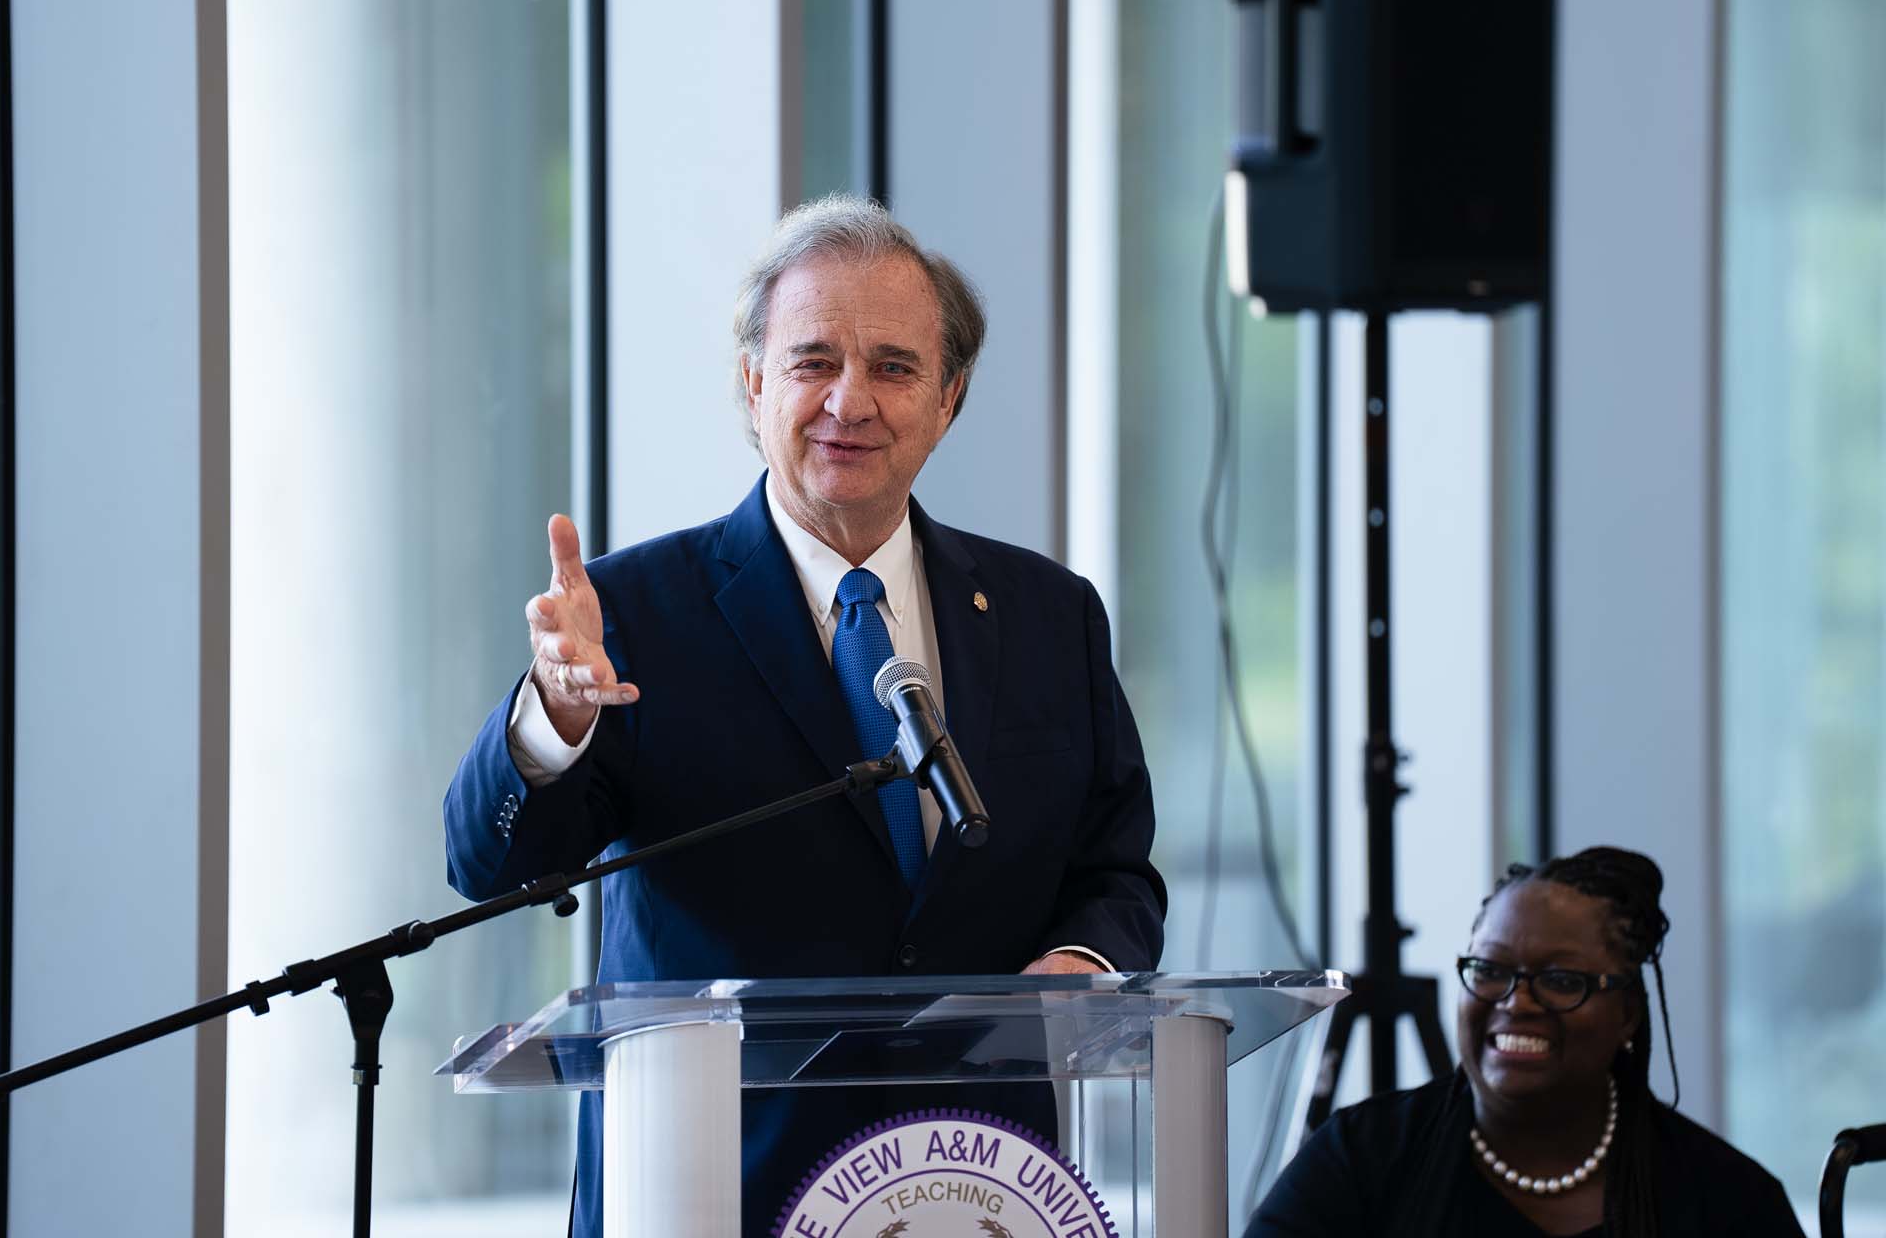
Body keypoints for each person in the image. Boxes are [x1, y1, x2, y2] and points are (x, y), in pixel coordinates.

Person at [443, 195, 1167, 1237]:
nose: (849, 401)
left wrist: (1077, 968)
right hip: (711, 1189)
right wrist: (553, 714)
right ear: (752, 384)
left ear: (949, 395)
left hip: (977, 1186)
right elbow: (489, 866)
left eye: (892, 366)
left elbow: (1114, 870)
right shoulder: (636, 610)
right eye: (812, 360)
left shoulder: (1047, 612)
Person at [1247, 847, 1804, 1238]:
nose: (1517, 1001)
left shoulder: (1727, 1201)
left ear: (1628, 1013)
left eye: (1562, 980)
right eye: (1490, 970)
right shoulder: (1361, 1160)